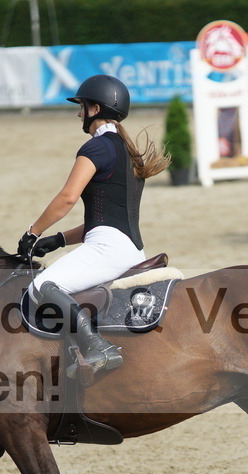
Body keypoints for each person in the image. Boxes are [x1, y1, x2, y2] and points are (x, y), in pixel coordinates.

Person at [18, 74, 170, 379]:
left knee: (43, 286)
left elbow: (67, 198)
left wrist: (33, 232)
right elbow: (104, 218)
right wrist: (59, 239)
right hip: (132, 249)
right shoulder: (128, 151)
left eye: (82, 106)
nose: (78, 113)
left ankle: (96, 346)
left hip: (108, 249)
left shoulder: (97, 148)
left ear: (95, 108)